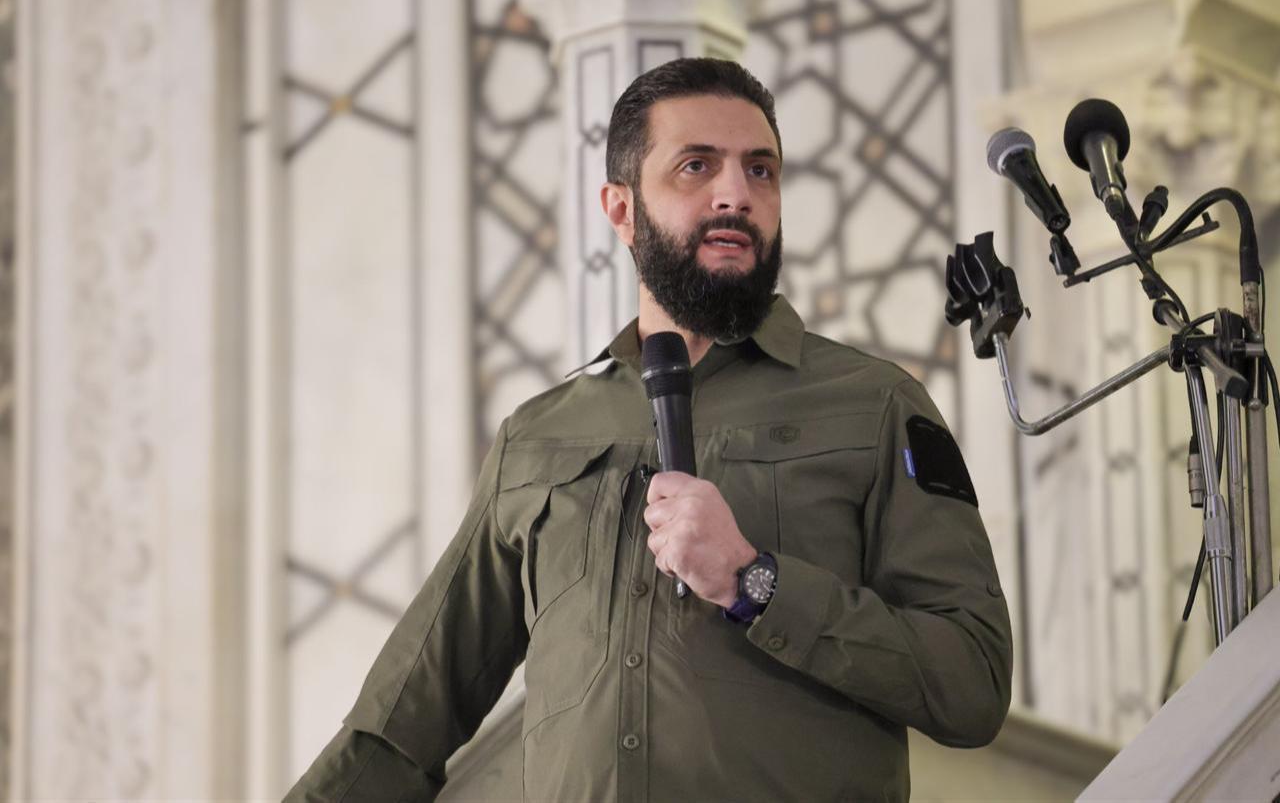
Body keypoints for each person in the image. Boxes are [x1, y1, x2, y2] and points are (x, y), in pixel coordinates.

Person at [287, 57, 1012, 802]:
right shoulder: (539, 435)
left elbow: (973, 680)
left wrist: (755, 582)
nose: (736, 193)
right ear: (621, 208)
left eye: (760, 170)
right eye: (697, 166)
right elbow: (404, 722)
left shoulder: (877, 405)